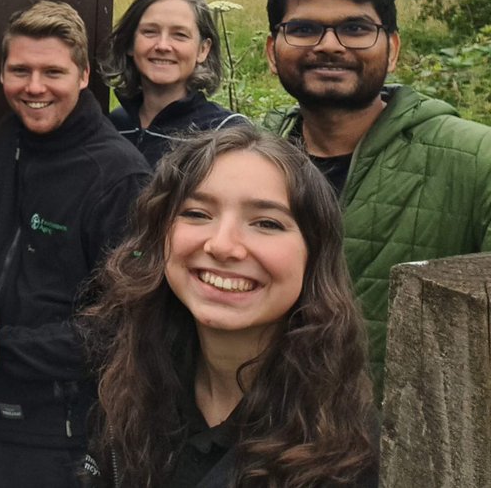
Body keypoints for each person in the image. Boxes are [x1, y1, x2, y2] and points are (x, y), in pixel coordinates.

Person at [0, 1, 150, 488]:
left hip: (58, 429)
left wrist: (2, 349)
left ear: (84, 75)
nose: (35, 87)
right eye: (20, 70)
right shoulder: (9, 139)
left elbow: (122, 329)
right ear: (2, 73)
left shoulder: (119, 178)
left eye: (53, 72)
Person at [84, 125, 378, 488]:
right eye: (197, 213)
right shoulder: (132, 384)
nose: (222, 246)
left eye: (266, 223)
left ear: (314, 255)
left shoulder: (355, 457)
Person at [264, 0, 491, 396]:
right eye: (304, 29)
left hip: (410, 451)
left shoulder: (476, 160)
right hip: (263, 437)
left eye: (356, 29)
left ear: (393, 50)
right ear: (273, 52)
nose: (329, 45)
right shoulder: (251, 161)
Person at [100, 0, 244, 167]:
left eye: (180, 35)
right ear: (129, 44)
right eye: (150, 32)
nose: (162, 46)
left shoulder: (225, 132)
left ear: (203, 49)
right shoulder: (113, 127)